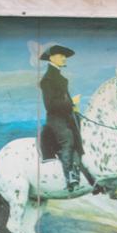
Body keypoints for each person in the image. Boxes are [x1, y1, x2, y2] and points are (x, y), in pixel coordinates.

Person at [38, 44, 87, 191]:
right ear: (52, 57)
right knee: (68, 138)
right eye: (61, 55)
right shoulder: (47, 79)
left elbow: (64, 100)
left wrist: (73, 106)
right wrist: (70, 103)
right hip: (55, 119)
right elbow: (50, 105)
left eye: (65, 56)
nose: (64, 58)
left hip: (67, 116)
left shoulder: (59, 77)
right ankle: (70, 176)